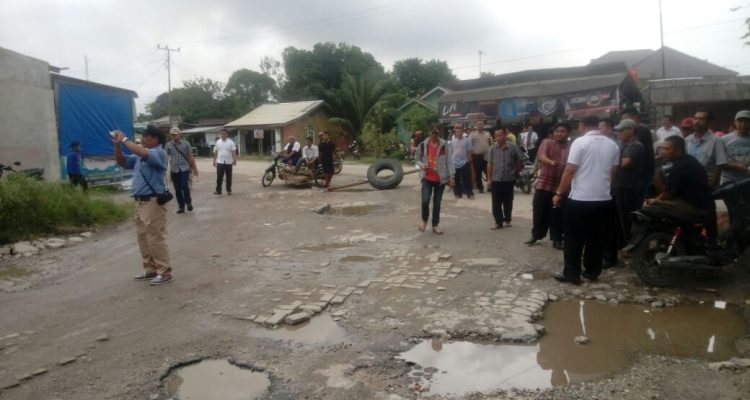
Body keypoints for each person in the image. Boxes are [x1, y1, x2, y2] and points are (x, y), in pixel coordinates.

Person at [551, 115, 620, 285]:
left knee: (573, 237)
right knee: (596, 237)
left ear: (582, 125)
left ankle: (572, 273)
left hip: (580, 199)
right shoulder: (612, 145)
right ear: (597, 125)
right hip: (604, 199)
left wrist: (559, 192)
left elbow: (570, 170)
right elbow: (613, 172)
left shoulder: (580, 143)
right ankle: (592, 271)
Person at [112, 125, 173, 285]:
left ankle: (164, 271)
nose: (143, 139)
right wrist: (117, 145)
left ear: (155, 139)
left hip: (152, 201)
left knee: (155, 237)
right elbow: (122, 162)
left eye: (146, 136)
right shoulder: (139, 156)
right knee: (143, 237)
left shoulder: (159, 153)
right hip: (140, 201)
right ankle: (150, 268)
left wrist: (124, 139)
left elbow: (143, 152)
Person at [642, 136, 712, 224]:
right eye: (662, 148)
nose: (662, 152)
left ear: (678, 151)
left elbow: (668, 194)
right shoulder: (688, 159)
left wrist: (654, 200)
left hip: (695, 207)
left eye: (667, 149)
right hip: (696, 203)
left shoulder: (679, 167)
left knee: (648, 210)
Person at [604, 119, 643, 267]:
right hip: (618, 185)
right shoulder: (621, 144)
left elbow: (624, 164)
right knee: (617, 218)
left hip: (628, 186)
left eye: (622, 130)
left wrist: (611, 162)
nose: (619, 133)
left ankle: (629, 245)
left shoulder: (636, 146)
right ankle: (621, 244)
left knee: (626, 218)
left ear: (631, 130)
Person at [525, 122, 571, 248]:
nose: (559, 134)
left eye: (562, 131)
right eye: (557, 131)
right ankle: (536, 235)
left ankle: (557, 239)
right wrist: (550, 162)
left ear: (568, 133)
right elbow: (541, 156)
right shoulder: (547, 143)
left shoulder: (572, 147)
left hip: (562, 185)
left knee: (558, 213)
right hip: (544, 183)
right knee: (539, 210)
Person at [415, 123, 455, 234]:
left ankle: (435, 225)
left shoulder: (444, 145)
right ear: (429, 133)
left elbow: (449, 161)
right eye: (433, 132)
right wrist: (421, 165)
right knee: (425, 200)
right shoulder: (423, 145)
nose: (435, 134)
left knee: (437, 203)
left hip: (440, 179)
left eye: (437, 132)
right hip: (427, 177)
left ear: (439, 133)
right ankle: (424, 220)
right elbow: (417, 159)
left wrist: (452, 175)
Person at [486, 128, 524, 229]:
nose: (498, 138)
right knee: (496, 202)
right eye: (496, 136)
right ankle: (498, 222)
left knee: (508, 201)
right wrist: (489, 179)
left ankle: (507, 219)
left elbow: (520, 161)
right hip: (496, 180)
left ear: (505, 135)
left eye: (500, 135)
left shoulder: (513, 147)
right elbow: (490, 164)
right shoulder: (492, 148)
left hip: (509, 180)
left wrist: (515, 172)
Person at [720, 110, 750, 237]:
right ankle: (732, 239)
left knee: (746, 212)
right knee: (732, 212)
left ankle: (743, 238)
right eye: (740, 121)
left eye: (747, 121)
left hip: (747, 181)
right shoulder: (724, 139)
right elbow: (720, 161)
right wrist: (736, 167)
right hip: (729, 181)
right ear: (735, 122)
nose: (743, 124)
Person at [621, 107, 655, 208]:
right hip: (636, 174)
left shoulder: (642, 131)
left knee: (637, 202)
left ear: (636, 117)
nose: (624, 122)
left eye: (626, 119)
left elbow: (628, 154)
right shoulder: (636, 131)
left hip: (642, 173)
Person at [686, 108, 727, 190]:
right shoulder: (687, 139)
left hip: (707, 184)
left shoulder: (716, 140)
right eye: (695, 118)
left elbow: (720, 165)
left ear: (709, 122)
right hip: (689, 183)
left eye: (701, 119)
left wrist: (712, 185)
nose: (697, 122)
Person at [165, 128, 198, 214]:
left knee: (185, 186)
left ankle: (188, 203)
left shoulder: (186, 144)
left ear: (179, 134)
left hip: (185, 168)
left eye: (175, 134)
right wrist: (163, 168)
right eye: (172, 134)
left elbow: (190, 156)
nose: (174, 136)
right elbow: (166, 157)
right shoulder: (168, 145)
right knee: (177, 189)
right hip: (174, 169)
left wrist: (195, 169)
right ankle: (181, 207)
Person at [449, 122, 473, 199]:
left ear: (462, 129)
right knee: (456, 179)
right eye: (456, 128)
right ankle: (458, 193)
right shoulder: (452, 141)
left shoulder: (467, 140)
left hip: (464, 162)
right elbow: (450, 152)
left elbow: (469, 151)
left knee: (467, 179)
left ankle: (469, 193)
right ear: (454, 129)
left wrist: (468, 160)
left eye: (459, 128)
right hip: (454, 163)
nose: (458, 129)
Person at [469, 121, 491, 193]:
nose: (480, 125)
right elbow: (469, 146)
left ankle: (490, 186)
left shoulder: (487, 134)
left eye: (481, 124)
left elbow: (489, 143)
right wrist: (470, 156)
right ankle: (480, 187)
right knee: (478, 173)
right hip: (477, 156)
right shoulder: (472, 135)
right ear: (476, 125)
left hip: (487, 156)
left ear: (484, 125)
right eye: (479, 124)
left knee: (488, 172)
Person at [213, 129, 237, 195]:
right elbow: (216, 151)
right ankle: (218, 190)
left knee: (229, 177)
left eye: (224, 133)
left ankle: (229, 190)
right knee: (219, 177)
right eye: (221, 133)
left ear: (227, 134)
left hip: (228, 162)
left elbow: (233, 151)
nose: (222, 135)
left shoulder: (231, 142)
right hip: (220, 162)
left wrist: (234, 160)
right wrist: (214, 160)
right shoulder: (218, 142)